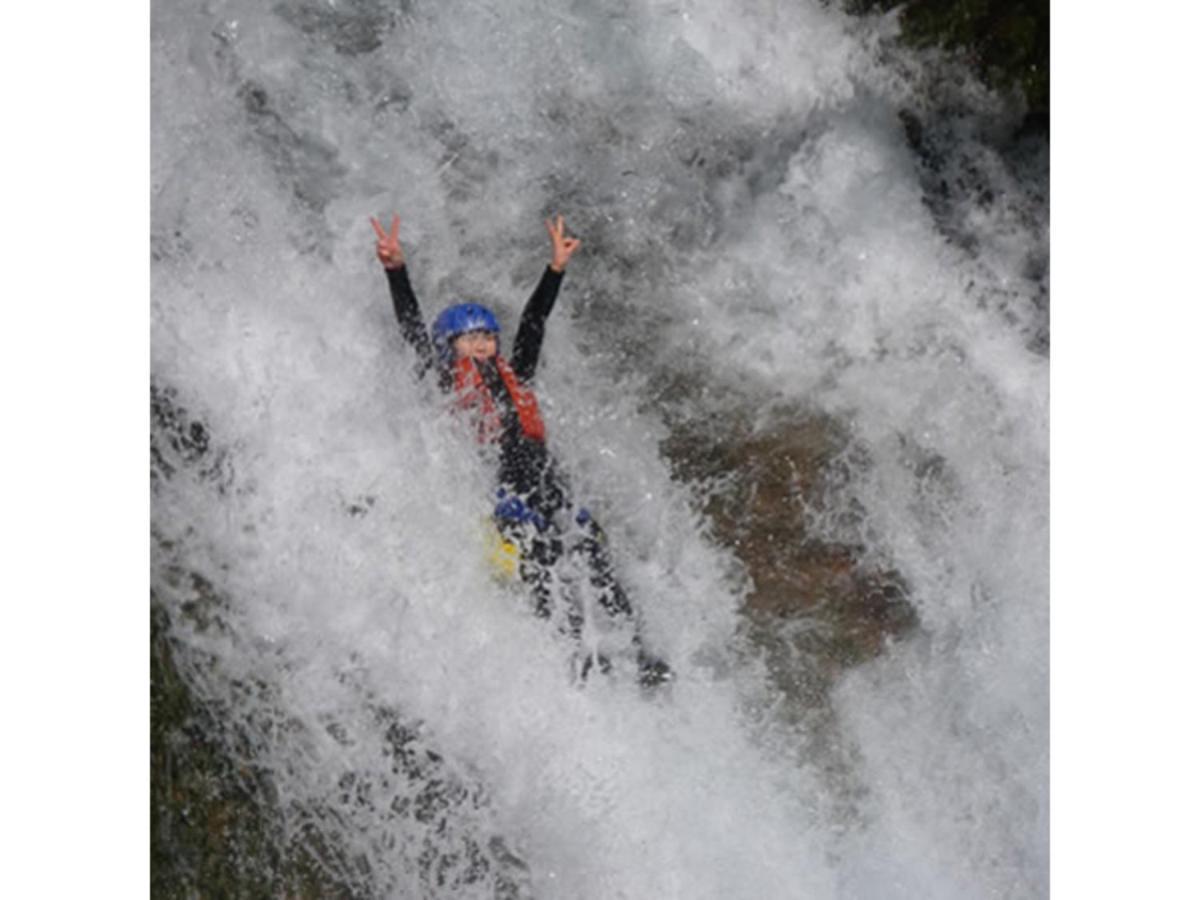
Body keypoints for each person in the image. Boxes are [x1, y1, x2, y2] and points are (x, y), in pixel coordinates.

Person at [370, 213, 671, 687]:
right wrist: (396, 270)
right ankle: (573, 657)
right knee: (545, 557)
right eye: (473, 338)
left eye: (489, 335)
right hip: (503, 492)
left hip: (545, 478)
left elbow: (534, 321)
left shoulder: (518, 376)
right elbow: (409, 325)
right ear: (452, 345)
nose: (485, 345)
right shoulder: (445, 378)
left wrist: (555, 270)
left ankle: (637, 649)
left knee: (592, 549)